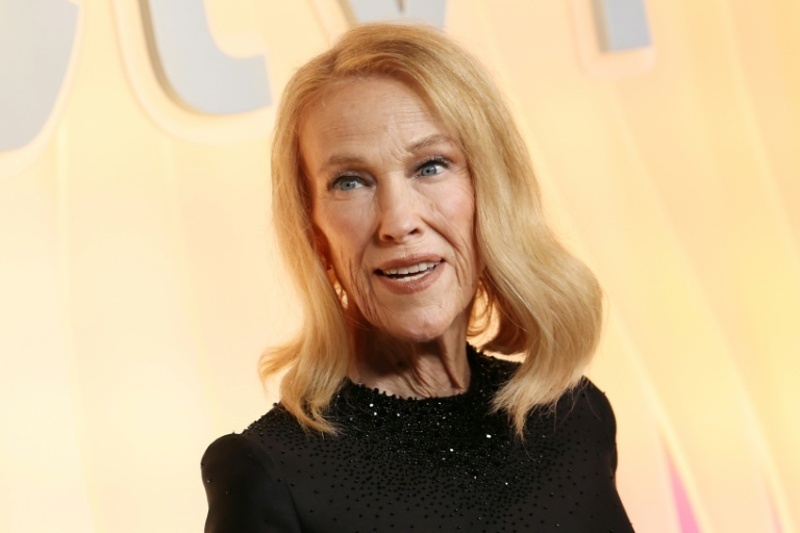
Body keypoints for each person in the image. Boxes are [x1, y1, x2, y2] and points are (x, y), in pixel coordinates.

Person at [201, 23, 633, 532]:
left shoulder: (576, 416)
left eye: (430, 166)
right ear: (314, 228)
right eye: (350, 181)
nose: (398, 221)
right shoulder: (269, 473)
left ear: (491, 190)